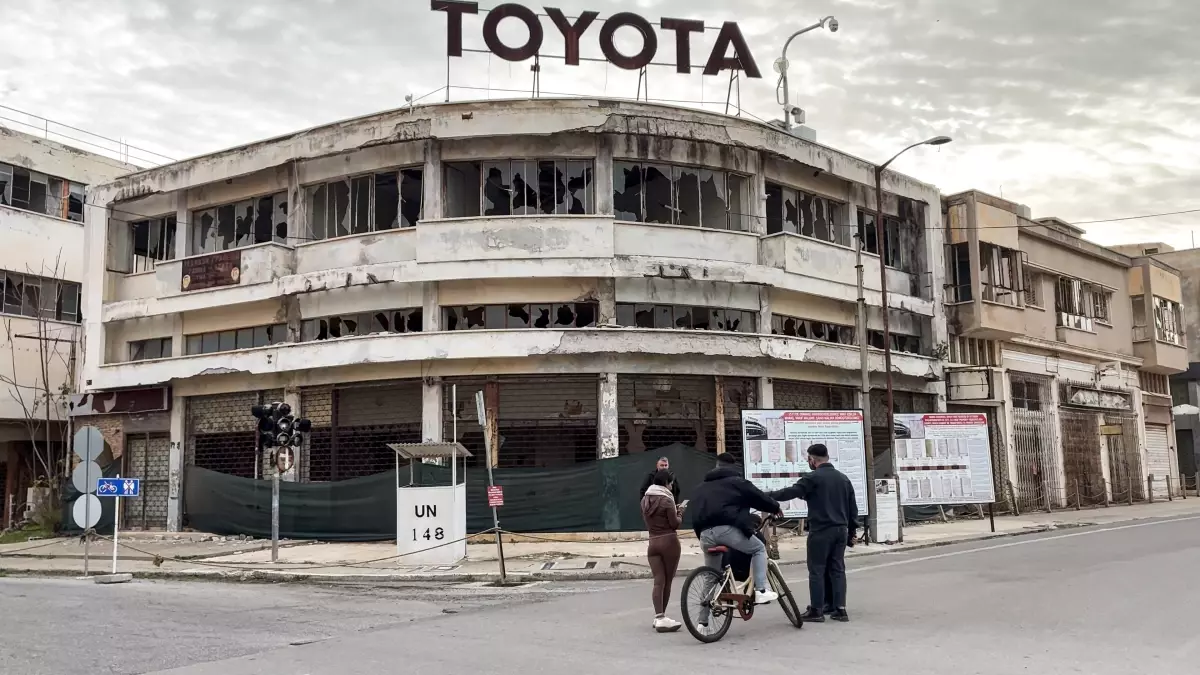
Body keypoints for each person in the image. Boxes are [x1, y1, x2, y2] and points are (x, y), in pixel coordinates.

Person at [768, 443, 857, 622]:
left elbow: (790, 492)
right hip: (840, 530)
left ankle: (817, 610)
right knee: (837, 569)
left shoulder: (813, 478)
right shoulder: (843, 479)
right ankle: (839, 609)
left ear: (812, 460)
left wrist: (767, 495)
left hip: (821, 531)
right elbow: (852, 508)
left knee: (817, 570)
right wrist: (852, 532)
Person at [689, 452, 781, 605]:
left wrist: (702, 535)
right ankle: (761, 590)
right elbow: (758, 497)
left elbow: (695, 514)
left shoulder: (700, 488)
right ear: (733, 466)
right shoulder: (737, 482)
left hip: (704, 534)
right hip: (726, 530)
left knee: (711, 576)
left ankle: (703, 616)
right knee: (758, 548)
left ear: (716, 466)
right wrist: (775, 507)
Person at [641, 469, 684, 632]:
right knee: (668, 581)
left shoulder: (645, 499)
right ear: (666, 483)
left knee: (658, 581)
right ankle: (662, 618)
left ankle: (658, 616)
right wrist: (680, 513)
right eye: (671, 483)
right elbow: (675, 524)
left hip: (652, 542)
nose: (672, 486)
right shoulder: (667, 500)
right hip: (669, 542)